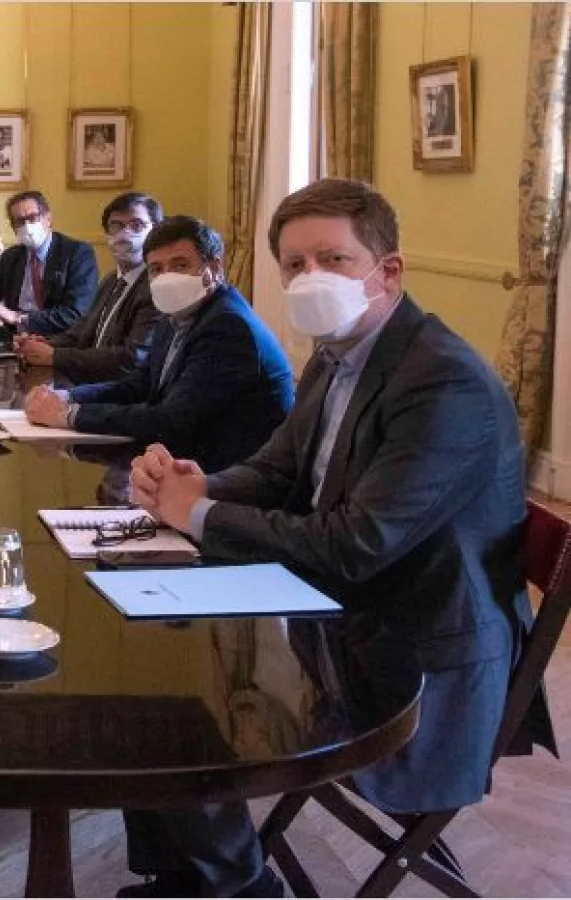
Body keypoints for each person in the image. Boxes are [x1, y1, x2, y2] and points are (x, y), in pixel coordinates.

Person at [122, 178, 554, 897]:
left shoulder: (442, 381)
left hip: (413, 664)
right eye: (294, 265)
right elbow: (277, 469)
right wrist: (199, 483)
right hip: (346, 616)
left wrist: (196, 514)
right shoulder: (339, 353)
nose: (310, 278)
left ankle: (238, 887)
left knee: (178, 704)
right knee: (147, 660)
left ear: (389, 271)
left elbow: (355, 544)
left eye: (333, 259)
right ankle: (187, 876)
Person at [24, 216, 294, 473]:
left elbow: (170, 421)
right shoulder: (175, 314)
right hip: (186, 463)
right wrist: (68, 397)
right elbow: (141, 383)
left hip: (230, 479)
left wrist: (69, 415)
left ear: (213, 270)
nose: (167, 277)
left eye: (180, 265)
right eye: (156, 269)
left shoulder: (228, 326)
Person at [14, 191, 163, 384]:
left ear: (156, 231)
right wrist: (40, 345)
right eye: (116, 226)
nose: (125, 234)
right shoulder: (111, 280)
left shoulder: (156, 287)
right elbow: (82, 332)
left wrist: (54, 356)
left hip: (122, 391)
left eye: (137, 225)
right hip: (88, 381)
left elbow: (132, 359)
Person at [0, 190, 99, 336]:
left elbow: (76, 313)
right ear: (13, 228)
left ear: (48, 218)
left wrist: (18, 318)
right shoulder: (12, 257)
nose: (27, 226)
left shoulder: (77, 253)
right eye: (20, 221)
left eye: (33, 218)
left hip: (60, 338)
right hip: (15, 337)